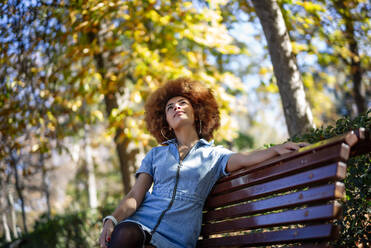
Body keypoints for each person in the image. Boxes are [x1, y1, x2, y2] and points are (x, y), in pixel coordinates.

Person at [99, 77, 306, 248]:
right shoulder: (155, 155)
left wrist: (276, 149)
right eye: (170, 107)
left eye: (182, 103)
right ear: (167, 124)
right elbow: (135, 195)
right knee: (125, 232)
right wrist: (113, 219)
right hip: (139, 227)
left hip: (175, 239)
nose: (176, 107)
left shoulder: (214, 155)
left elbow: (245, 159)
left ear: (196, 111)